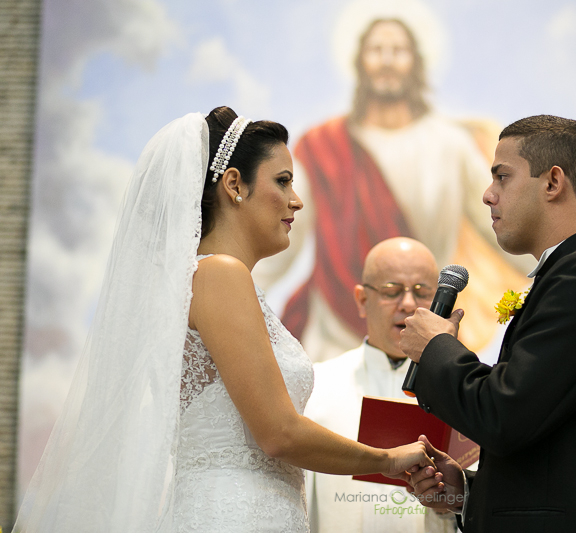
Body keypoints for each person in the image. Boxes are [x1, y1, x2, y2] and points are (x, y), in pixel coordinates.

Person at [13, 107, 434, 533]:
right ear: (235, 185)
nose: (297, 200)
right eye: (283, 181)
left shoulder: (215, 280)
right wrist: (388, 459)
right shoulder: (220, 275)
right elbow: (278, 433)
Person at [399, 115, 576, 532]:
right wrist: (469, 492)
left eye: (502, 177)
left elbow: (504, 415)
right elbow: (550, 443)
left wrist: (437, 349)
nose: (488, 195)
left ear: (553, 182)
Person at [252, 17, 529, 362]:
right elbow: (281, 242)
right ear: (359, 61)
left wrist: (559, 264)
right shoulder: (322, 146)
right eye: (376, 50)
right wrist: (231, 282)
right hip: (333, 340)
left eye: (397, 51)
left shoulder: (450, 145)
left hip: (421, 336)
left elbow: (499, 225)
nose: (386, 60)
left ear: (415, 62)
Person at [304, 237, 456, 533]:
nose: (408, 304)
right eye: (392, 291)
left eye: (422, 292)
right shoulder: (318, 384)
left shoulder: (462, 388)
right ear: (362, 300)